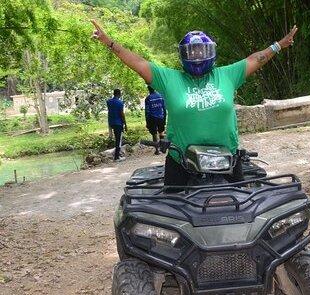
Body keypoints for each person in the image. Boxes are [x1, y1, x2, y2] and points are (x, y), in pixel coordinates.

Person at [92, 20, 297, 185]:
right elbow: (138, 63)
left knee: (241, 211)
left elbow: (256, 59)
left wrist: (279, 45)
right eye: (191, 52)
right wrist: (109, 42)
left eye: (201, 51)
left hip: (228, 158)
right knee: (173, 217)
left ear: (210, 52)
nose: (197, 56)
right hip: (180, 160)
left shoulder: (227, 75)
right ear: (183, 55)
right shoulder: (169, 78)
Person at [144, 85, 166, 155]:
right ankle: (163, 149)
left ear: (149, 90)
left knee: (154, 134)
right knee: (161, 133)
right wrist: (164, 118)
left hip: (152, 118)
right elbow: (164, 108)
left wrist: (147, 122)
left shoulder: (148, 98)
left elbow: (147, 111)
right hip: (161, 117)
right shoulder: (161, 96)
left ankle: (157, 150)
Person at [107, 89, 127, 162]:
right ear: (119, 94)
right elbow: (122, 114)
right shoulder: (120, 103)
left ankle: (117, 154)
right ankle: (116, 157)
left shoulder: (108, 102)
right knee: (118, 140)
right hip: (118, 123)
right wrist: (125, 124)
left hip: (111, 122)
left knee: (116, 138)